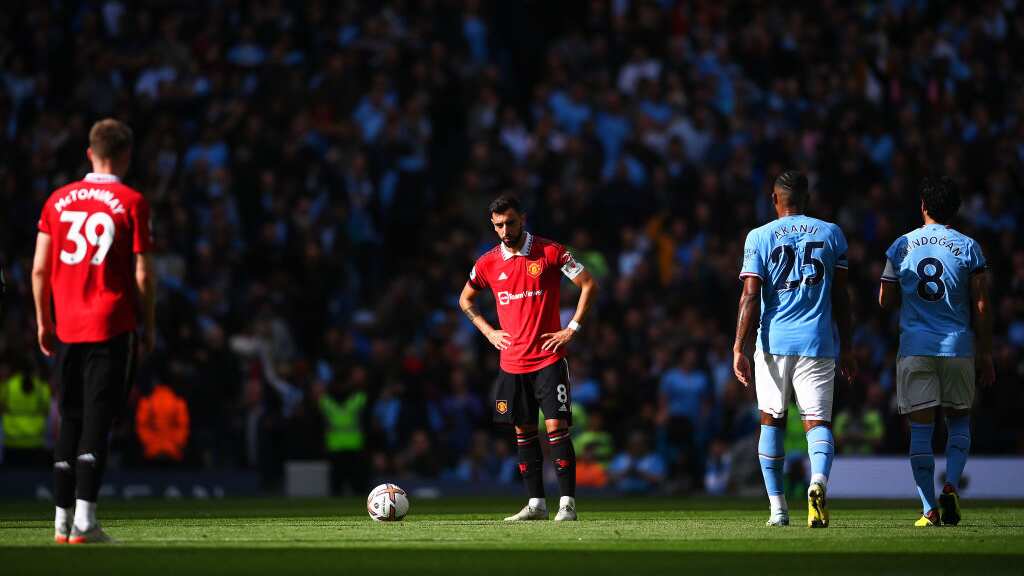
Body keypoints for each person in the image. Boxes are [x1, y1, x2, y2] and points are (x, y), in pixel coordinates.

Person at [32, 118, 155, 544]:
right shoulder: (132, 201)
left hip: (66, 324)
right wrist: (149, 323)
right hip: (111, 322)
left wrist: (43, 322)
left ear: (89, 152)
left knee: (70, 417)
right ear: (126, 155)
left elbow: (39, 269)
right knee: (97, 420)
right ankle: (86, 521)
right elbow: (143, 273)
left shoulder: (57, 200)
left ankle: (61, 523)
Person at [459, 194, 598, 522]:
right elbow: (466, 300)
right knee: (523, 433)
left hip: (548, 358)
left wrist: (572, 329)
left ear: (522, 218)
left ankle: (567, 504)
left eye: (509, 223)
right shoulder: (487, 263)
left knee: (556, 427)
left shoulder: (550, 252)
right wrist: (489, 331)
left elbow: (588, 284)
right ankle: (536, 504)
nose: (504, 230)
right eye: (497, 226)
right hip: (512, 363)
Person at [733, 170, 856, 528]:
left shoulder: (759, 236)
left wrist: (738, 346)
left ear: (774, 200)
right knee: (817, 423)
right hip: (818, 341)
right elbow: (842, 298)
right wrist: (847, 346)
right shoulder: (831, 233)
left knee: (771, 420)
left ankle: (778, 509)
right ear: (807, 199)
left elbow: (750, 295)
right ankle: (817, 484)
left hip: (773, 343)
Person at [878, 176, 994, 527]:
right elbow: (982, 304)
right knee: (959, 419)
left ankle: (928, 509)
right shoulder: (969, 247)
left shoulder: (901, 245)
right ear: (955, 210)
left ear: (923, 207)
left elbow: (883, 300)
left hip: (916, 347)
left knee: (920, 431)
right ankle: (951, 486)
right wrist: (985, 353)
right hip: (958, 345)